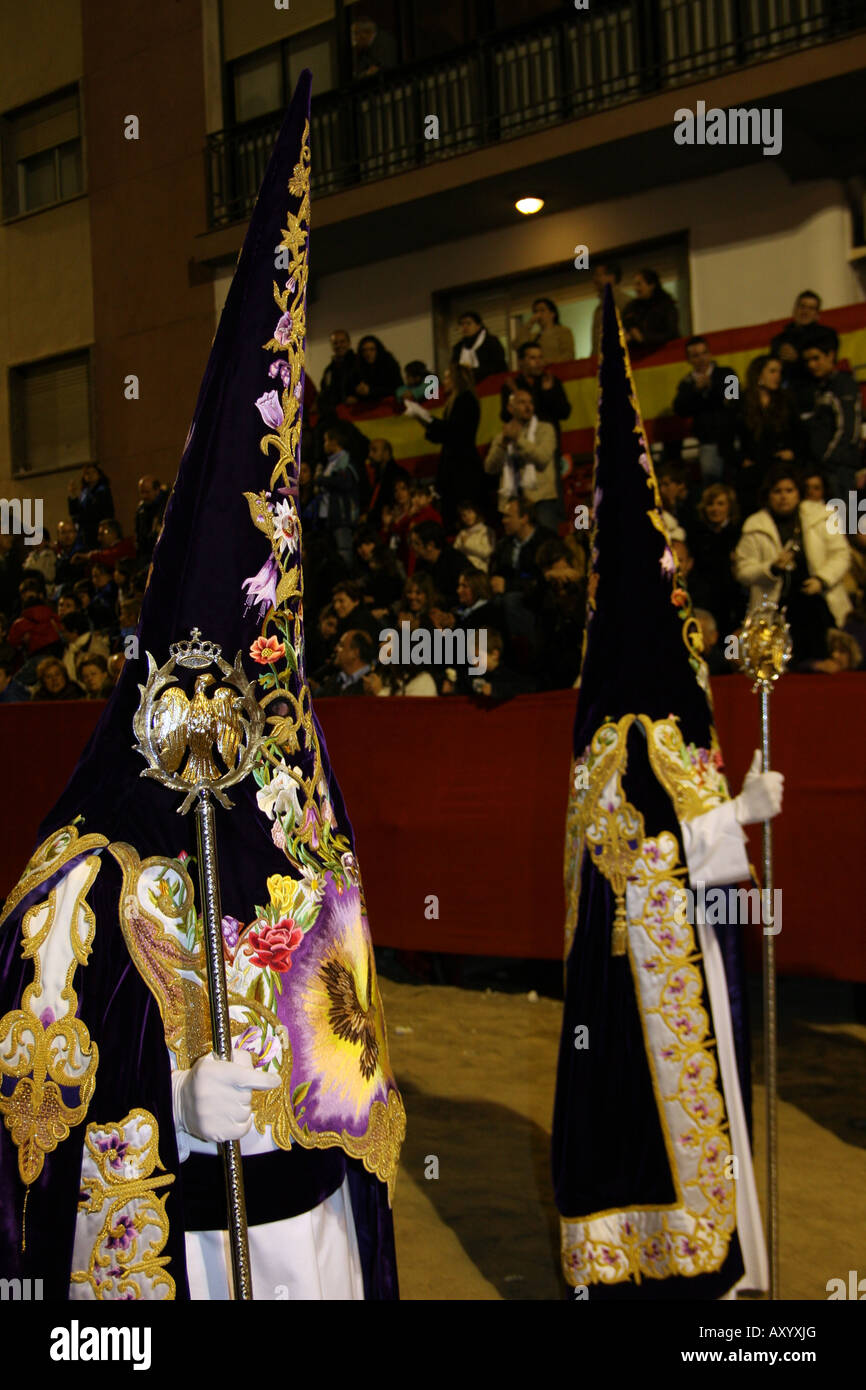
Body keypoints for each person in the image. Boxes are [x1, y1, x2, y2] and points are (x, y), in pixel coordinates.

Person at [0, 78, 402, 1303]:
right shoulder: (87, 870)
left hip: (312, 1232)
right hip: (193, 1252)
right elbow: (32, 1066)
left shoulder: (301, 806)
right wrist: (170, 1103)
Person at [553, 286, 780, 1301]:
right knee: (657, 1120)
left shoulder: (655, 715)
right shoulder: (628, 730)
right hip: (647, 983)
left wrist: (730, 816)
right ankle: (671, 1261)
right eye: (674, 582)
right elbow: (642, 856)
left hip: (675, 965)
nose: (685, 594)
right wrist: (743, 815)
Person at [734, 463, 851, 665]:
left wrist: (822, 579)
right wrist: (771, 568)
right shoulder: (755, 525)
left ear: (799, 493)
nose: (783, 496)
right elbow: (743, 571)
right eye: (777, 491)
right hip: (776, 608)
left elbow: (841, 554)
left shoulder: (822, 516)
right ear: (768, 495)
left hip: (819, 603)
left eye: (789, 490)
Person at [403, 365, 481, 530]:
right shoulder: (456, 401)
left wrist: (429, 419)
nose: (443, 382)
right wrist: (424, 421)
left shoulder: (465, 400)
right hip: (455, 467)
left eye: (447, 377)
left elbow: (453, 432)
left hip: (462, 470)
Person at [734, 354, 804, 518]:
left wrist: (793, 452)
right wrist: (740, 459)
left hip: (781, 465)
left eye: (779, 372)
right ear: (758, 374)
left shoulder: (786, 399)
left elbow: (800, 433)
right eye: (772, 371)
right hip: (753, 469)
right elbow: (727, 436)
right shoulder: (742, 402)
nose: (777, 376)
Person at [802, 327, 864, 500]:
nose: (811, 365)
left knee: (850, 523)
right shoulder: (818, 388)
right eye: (808, 360)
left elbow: (849, 429)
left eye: (816, 358)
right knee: (832, 524)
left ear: (830, 355)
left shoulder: (843, 384)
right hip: (826, 470)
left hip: (842, 470)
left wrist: (830, 458)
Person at [484, 388, 559, 530]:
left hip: (540, 499)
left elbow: (542, 458)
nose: (528, 406)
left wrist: (518, 440)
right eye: (522, 402)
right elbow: (490, 468)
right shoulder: (502, 436)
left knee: (547, 544)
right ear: (510, 408)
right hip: (512, 502)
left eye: (530, 402)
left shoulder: (545, 429)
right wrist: (503, 445)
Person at [673, 337, 739, 483]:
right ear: (688, 359)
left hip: (732, 438)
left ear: (710, 354)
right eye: (696, 356)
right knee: (712, 484)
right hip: (708, 442)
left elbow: (735, 398)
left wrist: (712, 387)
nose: (701, 359)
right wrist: (695, 391)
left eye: (704, 353)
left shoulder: (728, 373)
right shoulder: (686, 383)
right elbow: (679, 409)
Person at [687, 484, 744, 641]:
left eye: (720, 504)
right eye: (710, 504)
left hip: (733, 600)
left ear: (729, 507)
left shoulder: (739, 534)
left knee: (732, 645)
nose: (715, 509)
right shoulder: (697, 535)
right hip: (706, 600)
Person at [500, 343, 571, 446]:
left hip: (548, 444)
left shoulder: (551, 382)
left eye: (540, 357)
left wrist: (549, 393)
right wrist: (516, 397)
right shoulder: (511, 386)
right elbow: (505, 416)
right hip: (521, 444)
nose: (538, 362)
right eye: (532, 358)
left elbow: (565, 413)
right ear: (521, 362)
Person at [770, 289, 828, 411]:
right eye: (802, 306)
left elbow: (824, 369)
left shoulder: (826, 336)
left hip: (815, 397)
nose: (805, 311)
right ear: (795, 309)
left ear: (817, 314)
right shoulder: (779, 340)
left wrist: (798, 359)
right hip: (785, 401)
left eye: (811, 308)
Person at [316, 425, 360, 565]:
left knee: (344, 552)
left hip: (341, 517)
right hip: (329, 516)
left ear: (334, 442)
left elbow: (345, 483)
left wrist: (320, 480)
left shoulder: (346, 462)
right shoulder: (331, 462)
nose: (325, 445)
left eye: (326, 441)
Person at [621, 268, 679, 359]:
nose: (636, 288)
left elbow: (671, 333)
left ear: (651, 285)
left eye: (639, 284)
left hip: (664, 356)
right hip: (638, 359)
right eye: (635, 284)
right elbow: (626, 324)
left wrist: (644, 338)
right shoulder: (631, 308)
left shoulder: (666, 306)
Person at [410, 521, 465, 608]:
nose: (412, 547)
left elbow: (460, 598)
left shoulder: (455, 563)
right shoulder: (422, 562)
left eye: (417, 543)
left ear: (430, 545)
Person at [513, 296, 575, 363]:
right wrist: (530, 323)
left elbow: (568, 356)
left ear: (552, 313)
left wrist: (547, 362)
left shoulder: (563, 331)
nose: (538, 315)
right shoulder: (534, 336)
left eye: (542, 310)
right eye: (535, 312)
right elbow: (517, 345)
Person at [451, 311, 507, 382]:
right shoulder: (458, 347)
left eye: (468, 323)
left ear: (478, 326)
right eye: (462, 324)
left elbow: (498, 365)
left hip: (492, 383)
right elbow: (454, 369)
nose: (465, 327)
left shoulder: (491, 342)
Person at [316, 629, 376, 696]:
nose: (336, 649)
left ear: (355, 653)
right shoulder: (333, 681)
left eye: (341, 645)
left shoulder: (374, 685)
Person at [67, 463, 114, 548]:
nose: (90, 476)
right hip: (85, 532)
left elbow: (102, 512)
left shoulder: (103, 491)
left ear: (99, 475)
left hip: (98, 530)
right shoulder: (84, 493)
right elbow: (74, 512)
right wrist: (73, 495)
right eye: (87, 473)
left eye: (93, 472)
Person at [346, 335, 402, 406]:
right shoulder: (357, 367)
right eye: (364, 350)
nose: (368, 353)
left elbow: (397, 387)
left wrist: (371, 391)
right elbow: (349, 389)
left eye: (372, 349)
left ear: (378, 350)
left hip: (388, 406)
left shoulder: (389, 364)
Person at [590, 261, 630, 356]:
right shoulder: (599, 309)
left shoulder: (624, 302)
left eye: (599, 275)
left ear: (612, 277)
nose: (595, 279)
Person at [317, 329, 358, 416]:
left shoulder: (359, 363)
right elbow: (325, 392)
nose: (339, 345)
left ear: (349, 343)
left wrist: (358, 398)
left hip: (358, 413)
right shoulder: (328, 371)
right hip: (336, 415)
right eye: (335, 343)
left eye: (342, 342)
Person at [453, 500, 495, 572]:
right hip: (464, 569)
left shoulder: (486, 531)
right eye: (463, 515)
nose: (467, 517)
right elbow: (455, 550)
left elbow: (487, 552)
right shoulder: (462, 533)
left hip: (479, 570)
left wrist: (467, 544)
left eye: (470, 512)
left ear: (476, 512)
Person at [351, 14, 397, 78]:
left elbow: (385, 67)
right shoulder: (364, 50)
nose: (354, 39)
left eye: (355, 33)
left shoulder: (384, 42)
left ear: (364, 34)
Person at [135, 475, 169, 561]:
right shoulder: (141, 509)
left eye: (147, 492)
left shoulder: (167, 506)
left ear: (157, 490)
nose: (143, 496)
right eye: (141, 492)